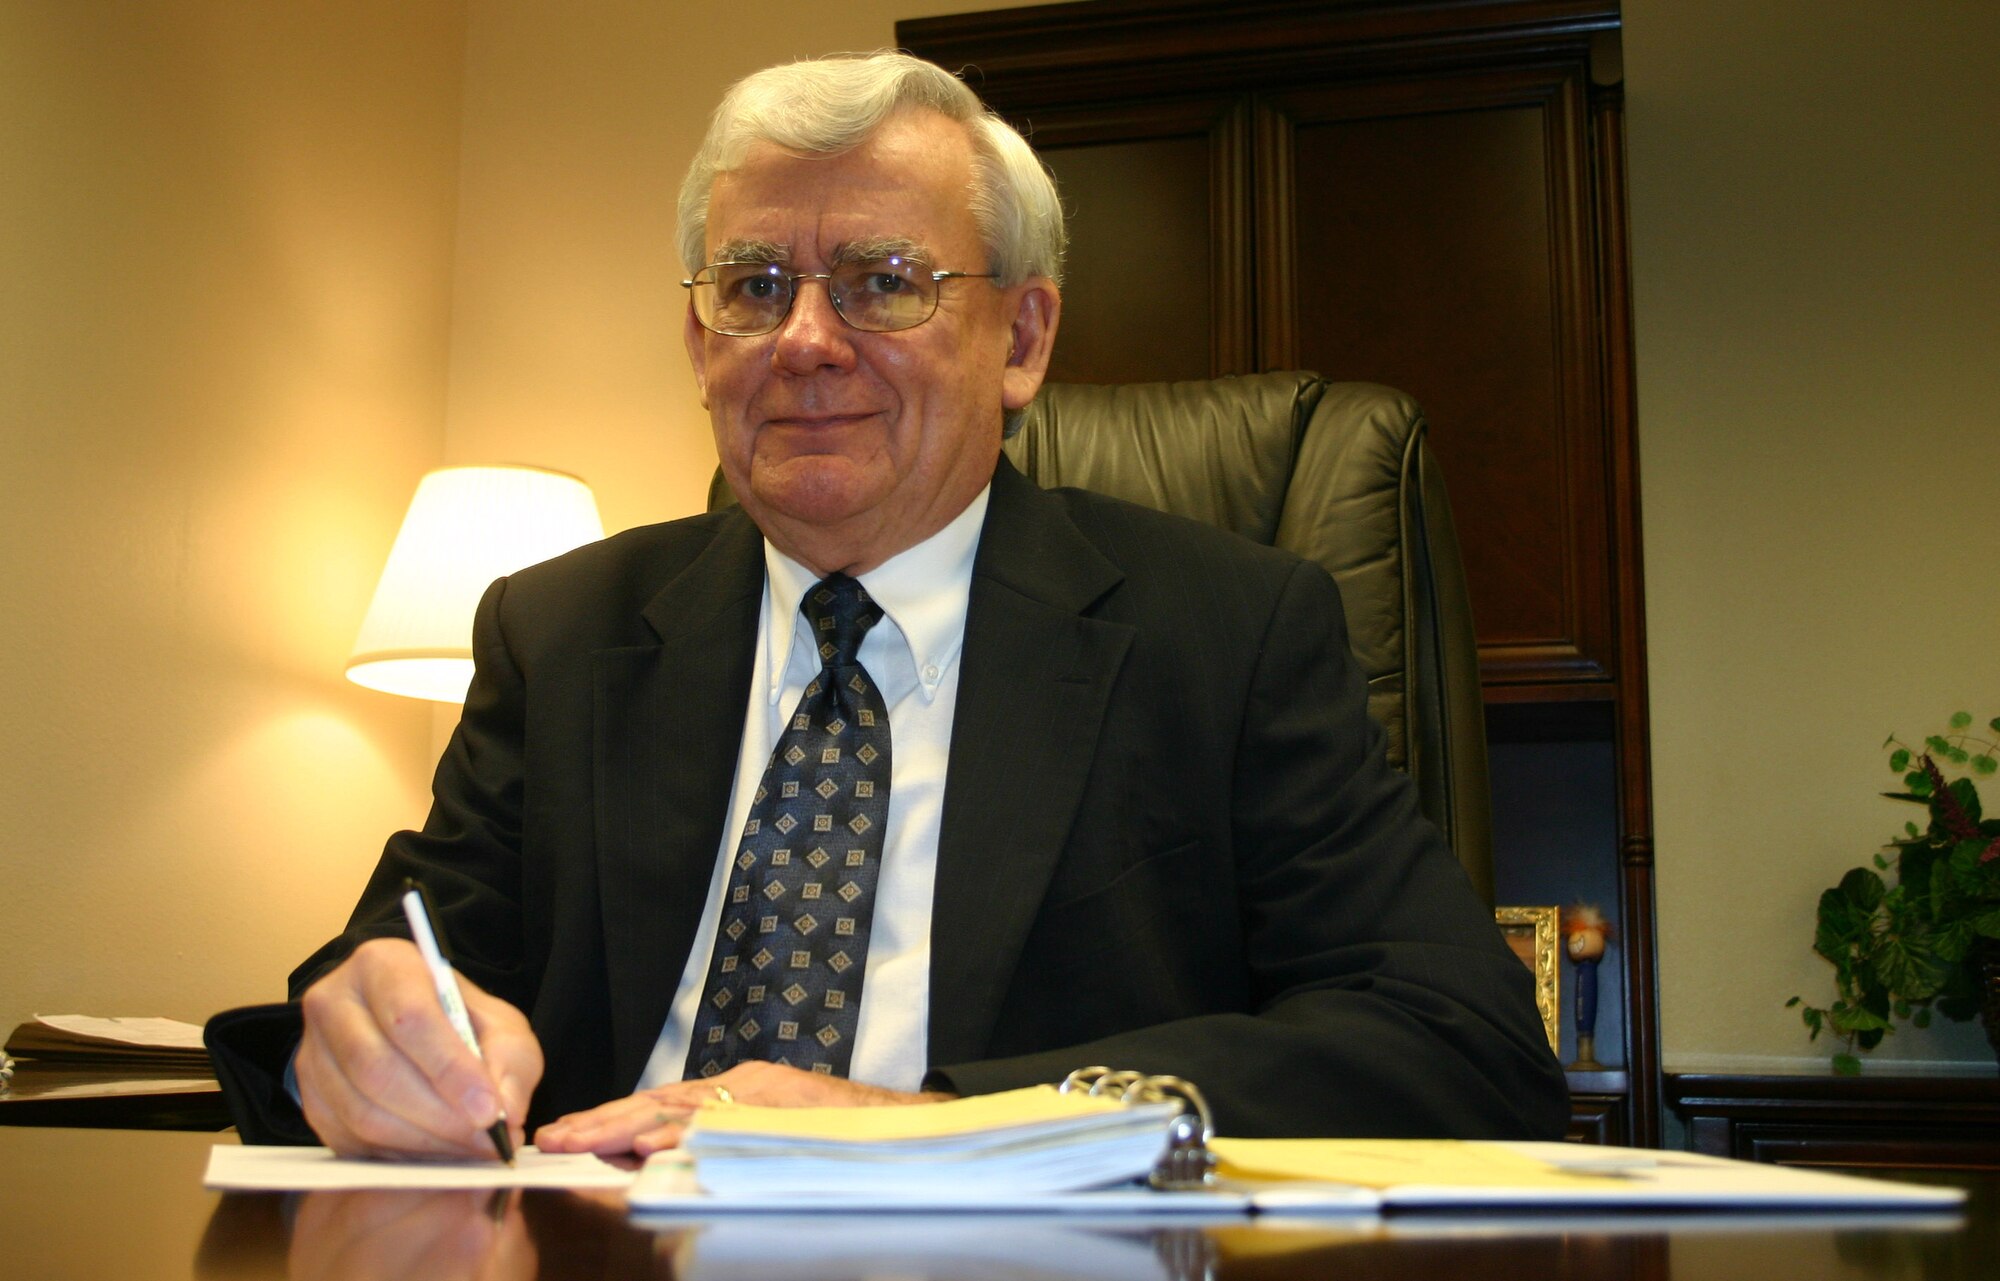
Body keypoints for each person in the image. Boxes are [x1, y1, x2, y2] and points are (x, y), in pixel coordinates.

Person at [206, 51, 1568, 1159]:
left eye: (884, 283)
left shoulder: (1226, 633)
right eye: (754, 286)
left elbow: (1460, 1041)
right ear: (700, 342)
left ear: (1023, 338)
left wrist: (942, 1122)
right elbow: (405, 959)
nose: (805, 340)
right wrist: (367, 1021)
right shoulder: (560, 635)